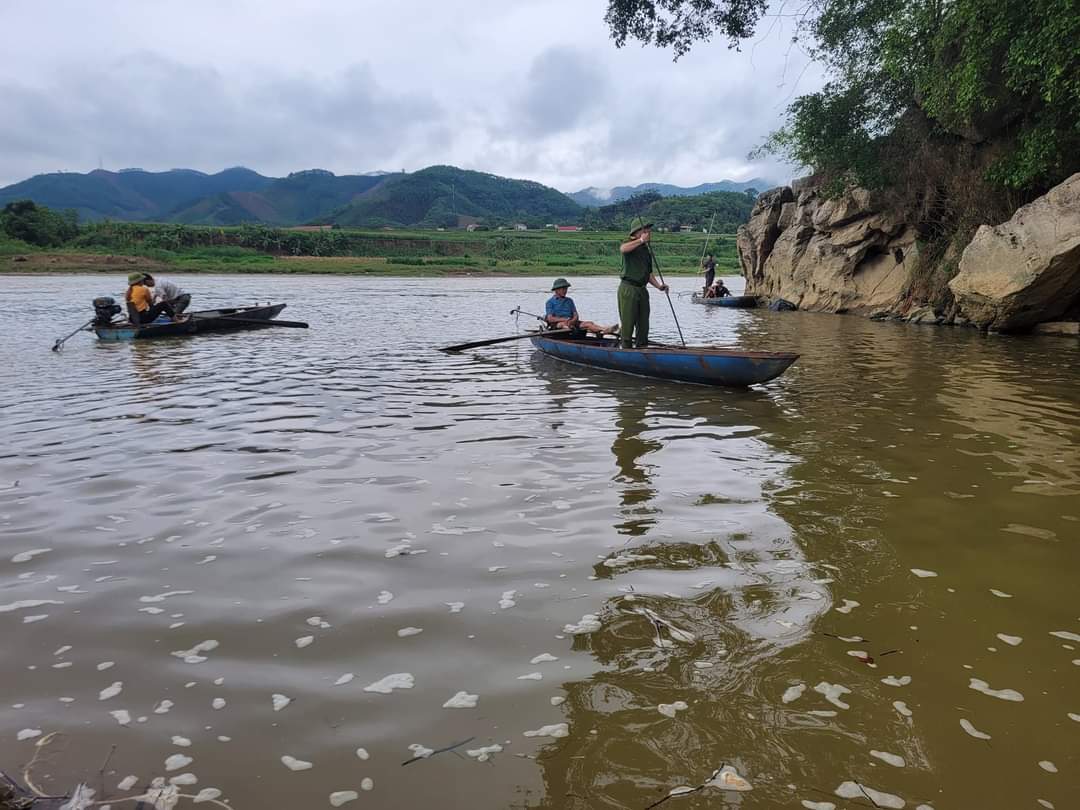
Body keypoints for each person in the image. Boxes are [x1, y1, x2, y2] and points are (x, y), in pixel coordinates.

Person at [617, 217, 668, 349]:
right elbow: (623, 249)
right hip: (629, 288)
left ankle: (641, 348)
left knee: (643, 323)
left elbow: (649, 273)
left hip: (642, 289)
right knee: (628, 322)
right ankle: (626, 349)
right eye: (646, 230)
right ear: (638, 232)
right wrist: (640, 241)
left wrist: (659, 286)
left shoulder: (646, 250)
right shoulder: (629, 243)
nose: (649, 232)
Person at [545, 278, 617, 335]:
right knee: (563, 325)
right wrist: (564, 320)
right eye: (563, 289)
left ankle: (604, 329)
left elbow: (576, 315)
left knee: (589, 324)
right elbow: (550, 318)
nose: (565, 291)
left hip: (572, 322)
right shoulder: (550, 302)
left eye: (566, 289)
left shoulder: (569, 301)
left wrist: (572, 321)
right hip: (559, 324)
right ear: (556, 290)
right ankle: (570, 330)